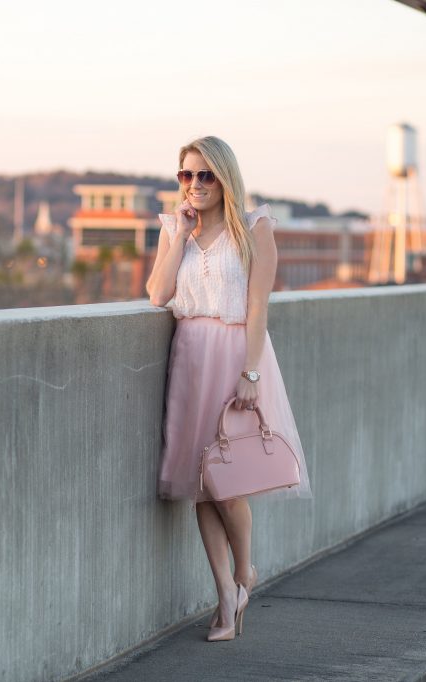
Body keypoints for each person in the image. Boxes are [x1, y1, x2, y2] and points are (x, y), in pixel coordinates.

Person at [146, 136, 314, 642]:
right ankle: (225, 598)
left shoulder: (255, 228)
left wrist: (252, 371)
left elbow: (259, 307)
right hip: (190, 357)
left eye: (205, 176)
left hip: (236, 356)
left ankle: (245, 572)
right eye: (185, 175)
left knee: (230, 482)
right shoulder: (174, 228)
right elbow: (157, 294)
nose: (194, 185)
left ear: (224, 178)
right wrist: (180, 236)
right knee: (202, 485)